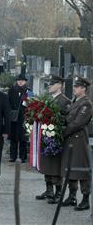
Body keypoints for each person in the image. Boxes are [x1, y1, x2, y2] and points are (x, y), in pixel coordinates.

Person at [36, 75, 71, 203]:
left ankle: (58, 191)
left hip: (56, 137)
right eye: (49, 83)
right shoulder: (48, 99)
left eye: (52, 83)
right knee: (46, 163)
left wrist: (53, 124)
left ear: (60, 85)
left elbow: (67, 119)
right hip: (46, 135)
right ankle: (49, 189)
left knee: (55, 164)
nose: (49, 85)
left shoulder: (65, 101)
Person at [61, 77, 92, 211]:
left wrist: (62, 133)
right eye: (74, 86)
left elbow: (77, 123)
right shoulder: (75, 101)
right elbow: (68, 118)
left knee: (81, 168)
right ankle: (72, 195)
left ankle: (85, 199)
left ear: (83, 88)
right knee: (70, 167)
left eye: (77, 86)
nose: (74, 88)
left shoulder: (86, 104)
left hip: (78, 140)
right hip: (70, 140)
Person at [8, 74, 33, 163]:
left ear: (25, 81)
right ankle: (12, 156)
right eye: (19, 80)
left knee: (23, 138)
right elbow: (8, 102)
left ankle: (23, 156)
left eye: (22, 80)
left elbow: (31, 104)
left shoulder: (28, 91)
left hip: (23, 117)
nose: (20, 82)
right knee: (13, 138)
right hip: (14, 117)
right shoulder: (12, 90)